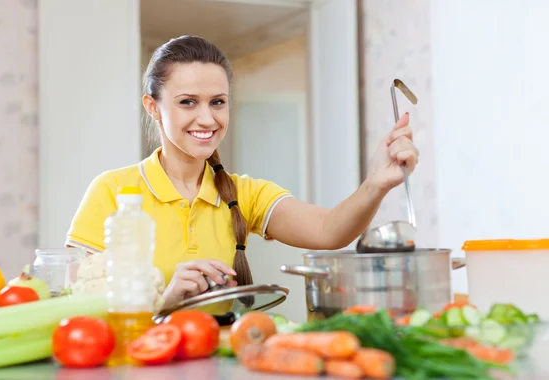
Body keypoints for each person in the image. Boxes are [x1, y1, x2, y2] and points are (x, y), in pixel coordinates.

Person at [66, 35, 419, 312]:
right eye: (188, 102)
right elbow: (77, 302)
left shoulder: (243, 193)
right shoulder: (113, 190)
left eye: (217, 102)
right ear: (153, 107)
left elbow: (329, 231)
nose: (207, 119)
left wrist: (376, 182)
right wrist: (164, 300)